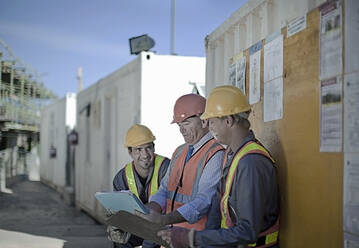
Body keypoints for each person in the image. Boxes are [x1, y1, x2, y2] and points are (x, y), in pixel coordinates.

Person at [158, 85, 280, 248]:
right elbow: (217, 206)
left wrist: (193, 238)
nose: (209, 126)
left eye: (212, 121)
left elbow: (247, 231)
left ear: (228, 121)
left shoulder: (251, 163)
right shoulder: (232, 154)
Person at [135, 93, 225, 231]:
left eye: (186, 123)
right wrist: (151, 208)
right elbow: (165, 188)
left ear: (204, 121)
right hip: (172, 235)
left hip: (195, 238)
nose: (181, 130)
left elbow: (204, 201)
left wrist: (164, 219)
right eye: (179, 124)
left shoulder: (216, 153)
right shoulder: (179, 152)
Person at [108, 124, 170, 248]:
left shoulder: (167, 168)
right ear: (130, 152)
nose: (145, 154)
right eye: (138, 149)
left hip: (163, 226)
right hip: (137, 227)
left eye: (148, 148)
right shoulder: (121, 178)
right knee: (120, 238)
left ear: (154, 147)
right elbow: (119, 212)